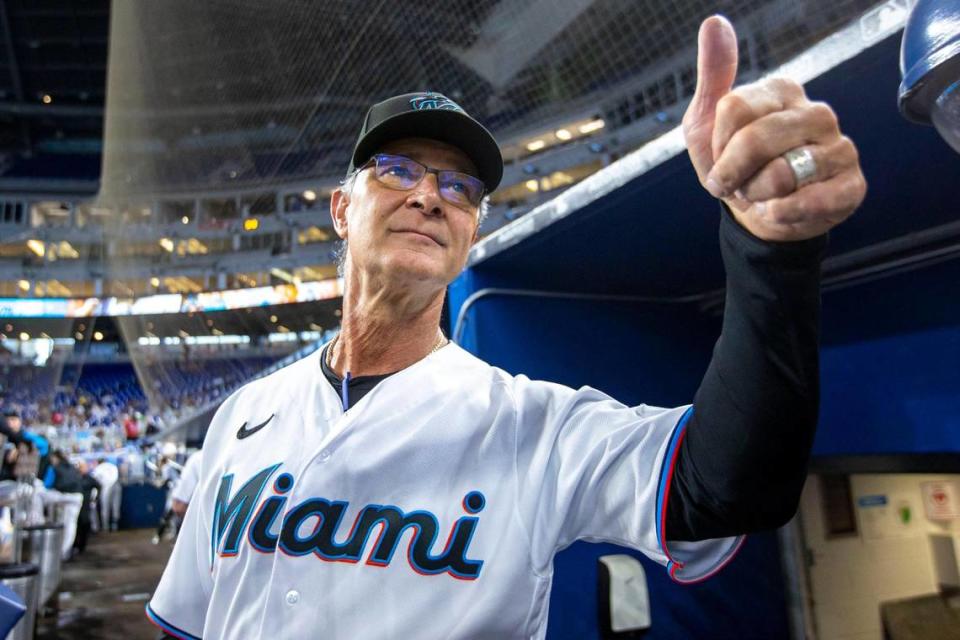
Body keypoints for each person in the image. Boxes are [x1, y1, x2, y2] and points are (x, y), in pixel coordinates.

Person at [147, 17, 866, 639]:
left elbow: (727, 488)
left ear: (470, 233)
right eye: (398, 171)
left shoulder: (532, 425)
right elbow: (187, 619)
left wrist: (773, 256)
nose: (431, 195)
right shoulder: (244, 414)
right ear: (341, 209)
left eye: (460, 187)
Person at [90, 457, 121, 532]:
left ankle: (105, 526)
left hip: (106, 487)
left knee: (105, 507)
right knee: (116, 505)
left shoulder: (98, 468)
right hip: (116, 485)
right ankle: (115, 525)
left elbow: (93, 480)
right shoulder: (112, 465)